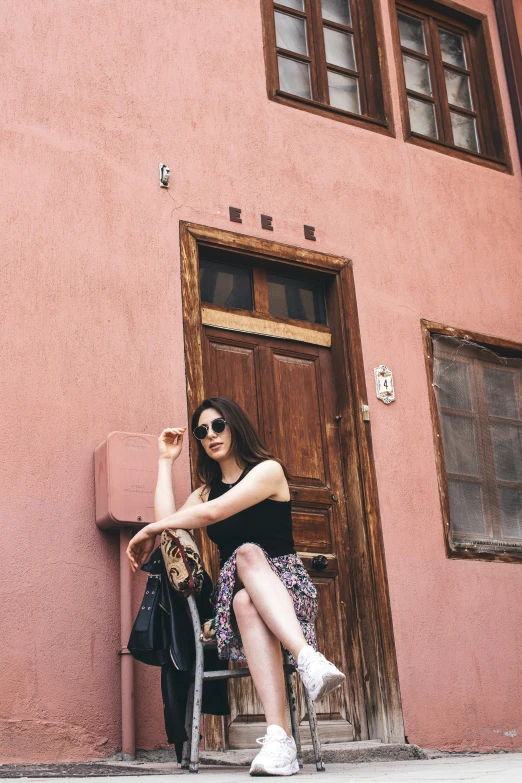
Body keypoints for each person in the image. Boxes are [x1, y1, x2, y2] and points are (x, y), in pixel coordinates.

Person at [127, 397, 345, 776]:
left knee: (247, 558)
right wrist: (166, 461)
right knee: (243, 597)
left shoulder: (268, 471)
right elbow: (172, 523)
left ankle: (283, 730)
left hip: (287, 589)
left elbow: (213, 515)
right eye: (201, 431)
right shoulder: (205, 491)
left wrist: (147, 529)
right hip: (234, 596)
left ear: (235, 426)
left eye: (218, 425)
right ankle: (302, 679)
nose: (210, 435)